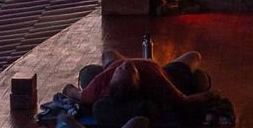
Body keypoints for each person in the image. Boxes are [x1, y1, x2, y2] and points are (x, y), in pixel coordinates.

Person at [77, 50, 225, 115]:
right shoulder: (156, 80)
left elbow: (75, 94)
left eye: (122, 68)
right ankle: (170, 64)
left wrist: (66, 90)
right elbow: (184, 101)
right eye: (131, 69)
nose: (127, 64)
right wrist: (212, 95)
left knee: (108, 53)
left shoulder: (103, 80)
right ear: (138, 77)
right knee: (194, 56)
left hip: (116, 68)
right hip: (166, 72)